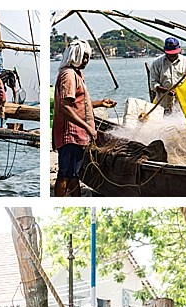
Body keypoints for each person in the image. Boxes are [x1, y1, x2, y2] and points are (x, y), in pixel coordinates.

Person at [52, 39, 116, 197]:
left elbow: (79, 104)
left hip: (78, 134)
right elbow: (65, 107)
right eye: (84, 57)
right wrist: (89, 128)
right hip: (71, 135)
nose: (86, 61)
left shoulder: (77, 74)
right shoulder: (68, 75)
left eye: (88, 57)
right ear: (76, 56)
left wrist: (100, 103)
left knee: (74, 174)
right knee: (65, 174)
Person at [149, 36, 186, 115]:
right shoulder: (157, 63)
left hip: (182, 105)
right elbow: (153, 84)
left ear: (179, 49)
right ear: (164, 50)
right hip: (163, 104)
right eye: (170, 53)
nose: (172, 55)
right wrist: (166, 91)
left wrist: (181, 91)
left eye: (174, 53)